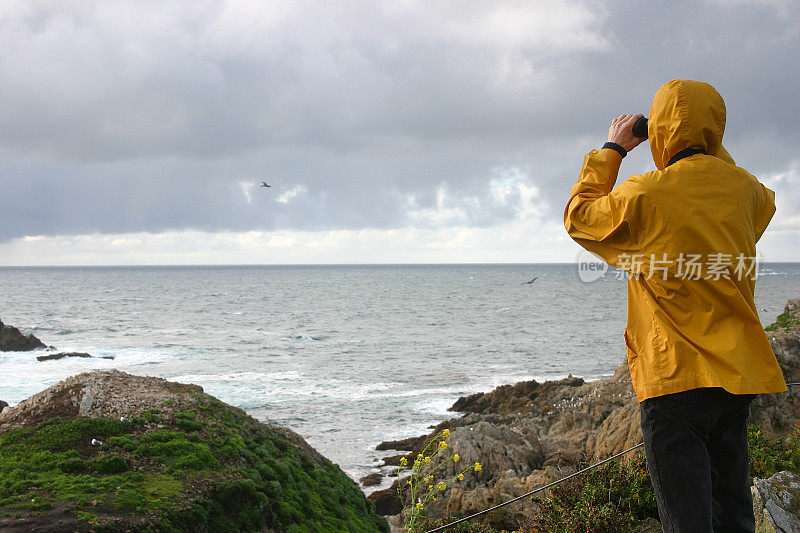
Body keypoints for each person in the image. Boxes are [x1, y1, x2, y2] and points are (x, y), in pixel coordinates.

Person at [564, 79, 786, 532]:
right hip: (737, 376)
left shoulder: (645, 194)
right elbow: (756, 200)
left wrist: (613, 149)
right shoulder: (748, 192)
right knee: (734, 516)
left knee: (686, 521)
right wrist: (706, 151)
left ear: (660, 128)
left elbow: (580, 217)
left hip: (675, 380)